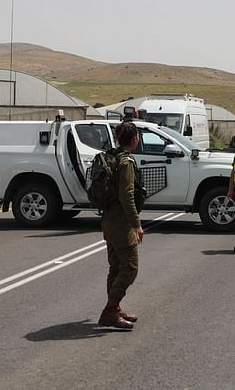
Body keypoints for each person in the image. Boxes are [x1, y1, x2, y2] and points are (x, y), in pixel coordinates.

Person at [98, 122, 145, 330]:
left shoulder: (112, 156)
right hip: (120, 221)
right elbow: (127, 196)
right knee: (130, 267)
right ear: (134, 138)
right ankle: (110, 310)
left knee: (116, 266)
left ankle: (114, 308)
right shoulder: (125, 162)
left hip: (109, 218)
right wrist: (136, 225)